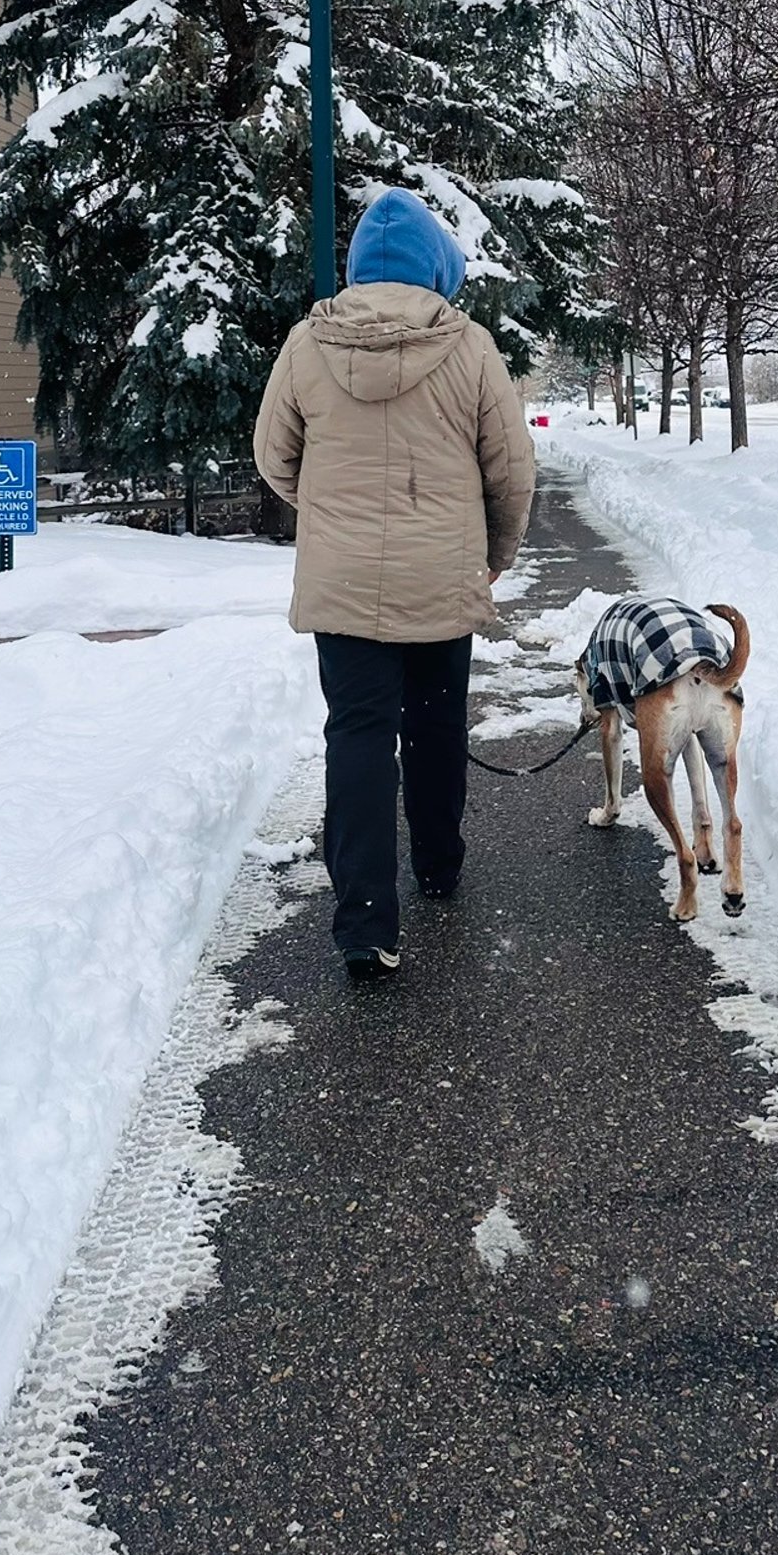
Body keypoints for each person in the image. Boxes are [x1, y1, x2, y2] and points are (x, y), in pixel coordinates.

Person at [254, 188, 536, 980]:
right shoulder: (471, 345)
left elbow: (273, 456)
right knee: (437, 724)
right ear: (437, 270)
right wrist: (498, 550)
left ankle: (366, 924)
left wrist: (328, 510)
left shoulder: (306, 344)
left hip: (342, 585)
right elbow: (510, 468)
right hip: (441, 575)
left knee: (358, 735)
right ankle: (439, 866)